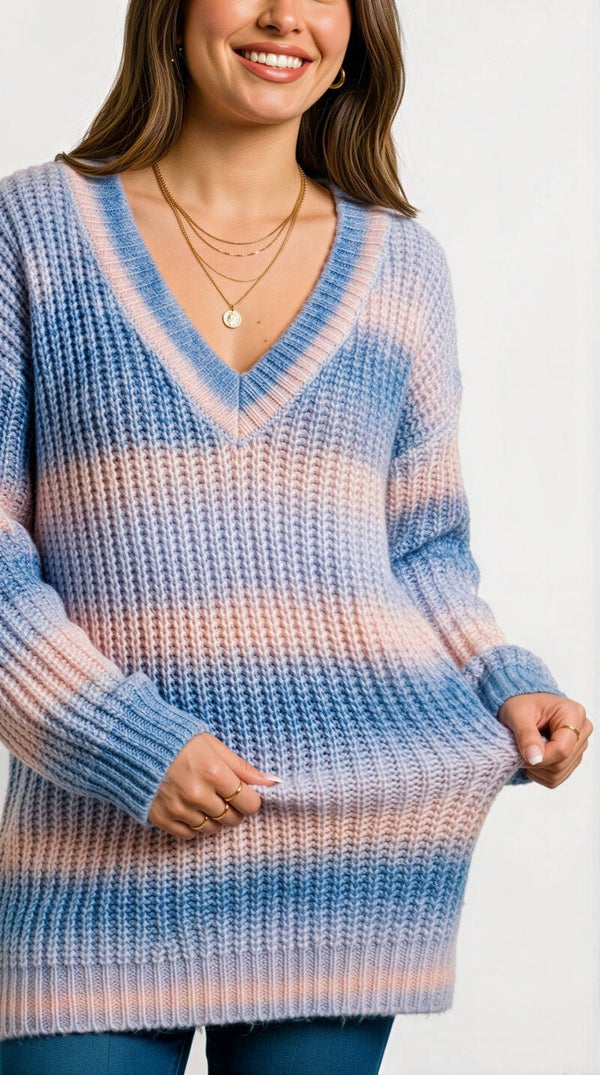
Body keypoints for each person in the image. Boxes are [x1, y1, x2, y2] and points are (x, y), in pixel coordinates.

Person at [0, 0, 593, 1072]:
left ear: (357, 31)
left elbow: (421, 550)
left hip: (344, 852)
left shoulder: (405, 267)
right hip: (92, 844)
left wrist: (501, 676)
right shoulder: (32, 229)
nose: (284, 16)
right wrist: (123, 739)